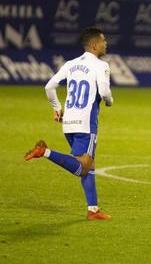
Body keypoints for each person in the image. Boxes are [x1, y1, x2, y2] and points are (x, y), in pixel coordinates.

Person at [24, 27, 114, 220]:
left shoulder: (70, 64)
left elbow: (49, 87)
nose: (106, 43)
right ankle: (44, 152)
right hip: (86, 123)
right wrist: (109, 101)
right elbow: (105, 92)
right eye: (103, 40)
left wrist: (56, 107)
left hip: (68, 123)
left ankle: (93, 210)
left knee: (89, 166)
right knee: (83, 166)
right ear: (94, 45)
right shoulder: (101, 66)